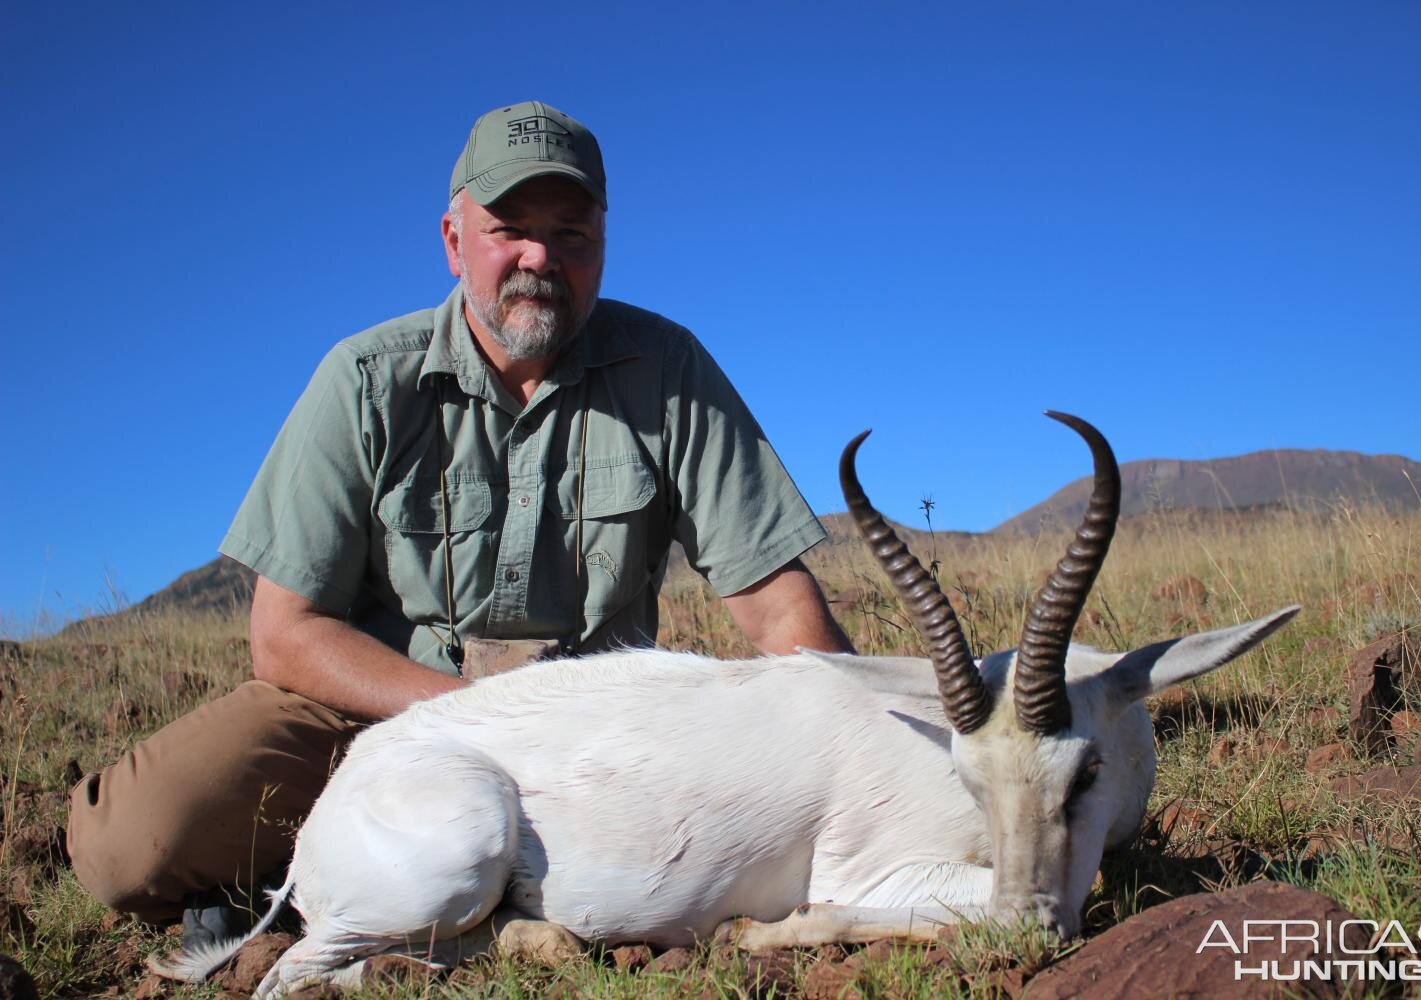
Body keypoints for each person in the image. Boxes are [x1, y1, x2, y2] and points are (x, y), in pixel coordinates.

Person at [67, 101, 851, 935]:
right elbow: (286, 633)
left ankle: (381, 900)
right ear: (452, 241)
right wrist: (460, 717)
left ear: (604, 245)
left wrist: (863, 746)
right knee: (129, 847)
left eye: (572, 234)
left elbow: (775, 606)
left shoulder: (670, 370)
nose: (539, 258)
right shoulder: (365, 380)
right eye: (508, 228)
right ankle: (333, 883)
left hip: (588, 742)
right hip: (373, 713)